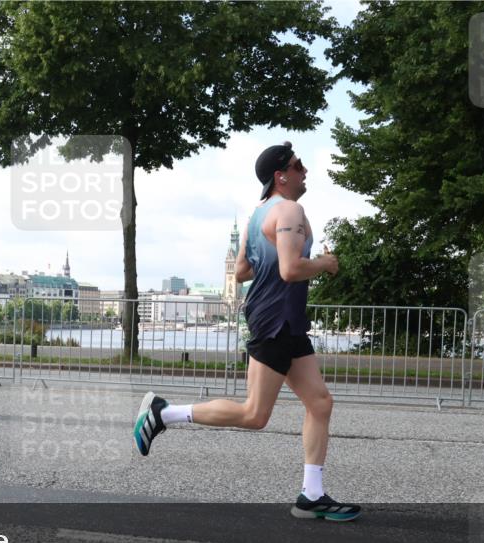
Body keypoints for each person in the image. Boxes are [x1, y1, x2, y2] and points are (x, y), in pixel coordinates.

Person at [133, 142, 360, 521]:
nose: (305, 170)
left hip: (286, 319)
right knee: (255, 414)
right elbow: (289, 270)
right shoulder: (288, 209)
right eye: (298, 165)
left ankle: (312, 495)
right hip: (275, 319)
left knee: (320, 403)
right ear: (280, 175)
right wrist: (322, 263)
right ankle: (164, 413)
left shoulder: (259, 216)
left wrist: (280, 259)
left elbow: (241, 272)